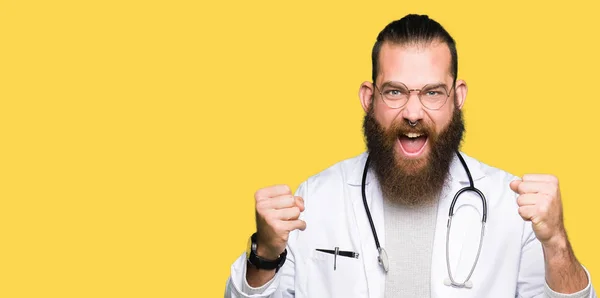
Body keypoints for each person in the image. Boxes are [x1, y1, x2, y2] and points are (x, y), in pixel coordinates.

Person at [223, 14, 596, 298]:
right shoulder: (316, 198)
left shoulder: (511, 206)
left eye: (432, 92)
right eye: (395, 92)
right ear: (369, 98)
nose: (414, 113)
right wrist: (266, 253)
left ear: (458, 96)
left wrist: (557, 243)